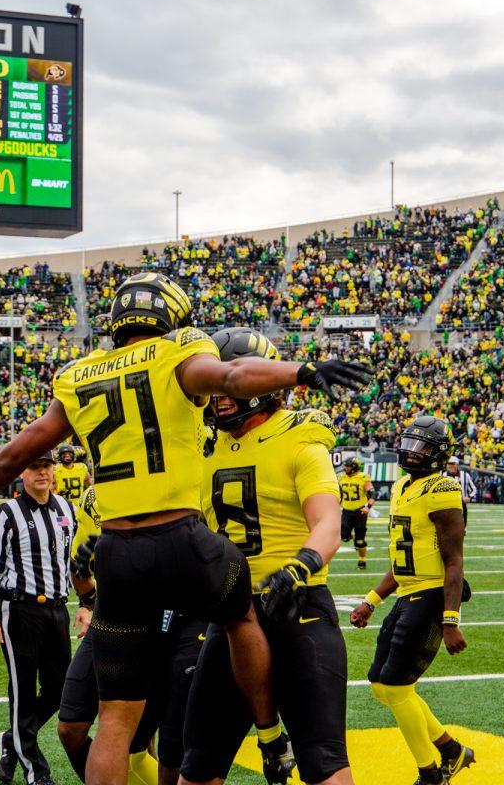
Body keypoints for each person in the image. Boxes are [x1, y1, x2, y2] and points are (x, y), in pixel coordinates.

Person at [0, 271, 368, 785]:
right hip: (185, 543)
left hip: (119, 553)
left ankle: (262, 735)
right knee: (243, 614)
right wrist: (303, 370)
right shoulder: (179, 354)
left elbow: (11, 455)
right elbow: (232, 377)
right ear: (173, 318)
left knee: (115, 717)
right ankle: (269, 733)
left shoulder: (80, 374)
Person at [182, 328, 353, 785]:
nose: (220, 398)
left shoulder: (300, 437)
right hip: (232, 617)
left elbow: (328, 524)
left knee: (324, 765)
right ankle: (270, 738)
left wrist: (298, 568)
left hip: (297, 607)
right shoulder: (203, 447)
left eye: (230, 386)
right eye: (216, 388)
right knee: (197, 764)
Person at [349, 416, 474, 785]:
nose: (412, 453)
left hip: (432, 595)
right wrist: (371, 600)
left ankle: (430, 773)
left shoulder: (443, 488)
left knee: (398, 687)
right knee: (380, 686)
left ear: (438, 455)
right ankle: (452, 750)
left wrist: (451, 620)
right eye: (409, 445)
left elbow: (454, 560)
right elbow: (403, 559)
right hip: (408, 593)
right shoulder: (404, 485)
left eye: (422, 448)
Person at [58, 485, 188, 785]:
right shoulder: (94, 494)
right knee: (70, 728)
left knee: (139, 744)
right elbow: (82, 559)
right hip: (109, 612)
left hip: (159, 618)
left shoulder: (172, 484)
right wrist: (87, 600)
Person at [0, 452, 75, 785]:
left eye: (47, 466)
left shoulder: (66, 508)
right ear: (22, 471)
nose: (43, 472)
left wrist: (88, 601)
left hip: (58, 609)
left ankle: (11, 740)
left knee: (61, 688)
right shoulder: (6, 512)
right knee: (22, 688)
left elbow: (74, 558)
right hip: (19, 610)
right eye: (35, 466)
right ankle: (36, 770)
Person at [337, 457, 374, 570]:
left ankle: (362, 560)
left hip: (360, 512)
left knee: (360, 541)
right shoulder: (341, 478)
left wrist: (368, 506)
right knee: (344, 536)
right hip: (347, 511)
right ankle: (353, 537)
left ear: (354, 467)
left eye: (348, 466)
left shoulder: (363, 478)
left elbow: (373, 494)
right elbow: (340, 494)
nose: (345, 468)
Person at [445, 456, 477, 522]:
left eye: (452, 464)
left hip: (461, 505)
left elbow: (474, 489)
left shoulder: (465, 475)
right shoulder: (443, 475)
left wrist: (469, 497)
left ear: (457, 464)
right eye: (449, 464)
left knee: (462, 527)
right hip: (447, 505)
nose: (450, 466)